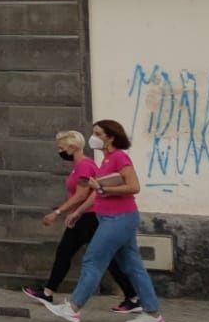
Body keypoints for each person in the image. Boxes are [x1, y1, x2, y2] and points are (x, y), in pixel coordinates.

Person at [34, 120, 167, 322]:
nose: (93, 137)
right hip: (112, 218)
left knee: (93, 261)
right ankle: (152, 313)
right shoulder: (106, 159)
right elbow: (98, 192)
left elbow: (134, 186)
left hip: (118, 218)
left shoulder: (120, 157)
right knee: (133, 266)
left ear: (110, 137)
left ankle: (73, 307)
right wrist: (82, 208)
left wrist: (105, 190)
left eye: (98, 133)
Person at [25, 130, 139, 310]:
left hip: (89, 217)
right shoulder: (80, 166)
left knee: (87, 256)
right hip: (85, 216)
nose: (60, 152)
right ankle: (132, 296)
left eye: (62, 148)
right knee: (80, 254)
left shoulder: (85, 166)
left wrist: (59, 212)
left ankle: (54, 295)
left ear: (72, 147)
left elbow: (81, 194)